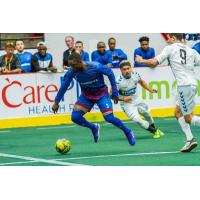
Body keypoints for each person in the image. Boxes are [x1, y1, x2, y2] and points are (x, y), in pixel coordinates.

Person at [52, 52, 135, 145]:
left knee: (109, 118)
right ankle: (93, 127)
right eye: (70, 66)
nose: (72, 68)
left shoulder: (96, 66)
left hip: (101, 95)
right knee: (75, 117)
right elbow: (64, 86)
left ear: (80, 62)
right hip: (86, 96)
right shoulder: (72, 71)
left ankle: (128, 132)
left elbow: (110, 73)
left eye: (74, 65)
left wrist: (115, 91)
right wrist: (56, 102)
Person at [135, 33, 200, 152]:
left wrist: (141, 60)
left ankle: (190, 139)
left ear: (174, 38)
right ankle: (190, 140)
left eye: (169, 38)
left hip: (184, 86)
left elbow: (154, 62)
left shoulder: (170, 48)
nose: (167, 40)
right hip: (193, 84)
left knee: (189, 119)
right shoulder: (192, 51)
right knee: (177, 113)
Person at [116, 60, 164, 139]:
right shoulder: (118, 82)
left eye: (128, 68)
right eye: (124, 69)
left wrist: (150, 89)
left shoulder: (135, 74)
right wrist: (123, 98)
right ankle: (155, 131)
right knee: (138, 120)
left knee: (146, 114)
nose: (127, 71)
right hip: (127, 105)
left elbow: (141, 82)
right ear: (121, 70)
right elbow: (111, 95)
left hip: (136, 99)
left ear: (131, 68)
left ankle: (155, 129)